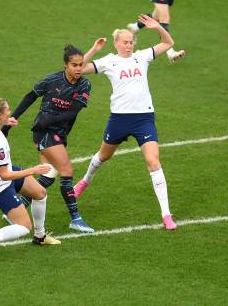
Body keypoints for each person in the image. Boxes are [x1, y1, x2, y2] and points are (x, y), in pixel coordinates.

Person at [72, 15, 178, 230]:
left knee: (153, 162)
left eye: (131, 42)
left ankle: (166, 214)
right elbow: (79, 69)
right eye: (125, 42)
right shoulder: (109, 61)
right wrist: (94, 50)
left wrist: (158, 27)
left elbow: (168, 43)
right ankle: (84, 181)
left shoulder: (142, 57)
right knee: (104, 156)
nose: (129, 46)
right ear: (117, 43)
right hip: (119, 118)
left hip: (144, 118)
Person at [1, 45, 95, 233]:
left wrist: (49, 118)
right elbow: (30, 97)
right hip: (43, 132)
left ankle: (15, 208)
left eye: (81, 65)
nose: (78, 69)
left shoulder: (84, 85)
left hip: (58, 131)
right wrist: (9, 122)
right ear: (65, 65)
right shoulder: (51, 80)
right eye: (74, 65)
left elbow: (73, 111)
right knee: (66, 169)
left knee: (49, 174)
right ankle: (75, 218)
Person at [0, 98, 61, 261]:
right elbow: (4, 175)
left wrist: (6, 122)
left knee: (40, 193)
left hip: (6, 173)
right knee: (24, 226)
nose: (10, 112)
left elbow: (6, 171)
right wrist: (33, 170)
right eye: (7, 111)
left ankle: (40, 237)